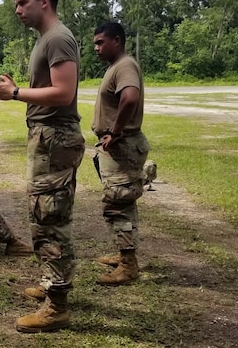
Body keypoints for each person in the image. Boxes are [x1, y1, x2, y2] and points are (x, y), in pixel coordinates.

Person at [0, 0, 85, 333]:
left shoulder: (58, 38)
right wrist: (18, 91)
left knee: (51, 220)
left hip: (55, 139)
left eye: (23, 3)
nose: (17, 10)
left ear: (45, 2)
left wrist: (15, 94)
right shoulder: (46, 39)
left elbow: (63, 92)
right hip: (47, 138)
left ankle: (57, 305)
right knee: (43, 215)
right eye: (16, 4)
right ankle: (50, 284)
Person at [91, 21, 150, 285]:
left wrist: (115, 131)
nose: (96, 48)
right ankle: (124, 253)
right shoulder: (117, 66)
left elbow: (130, 97)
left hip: (122, 147)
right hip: (119, 146)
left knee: (118, 203)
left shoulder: (125, 66)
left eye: (100, 42)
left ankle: (128, 265)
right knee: (121, 201)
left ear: (117, 40)